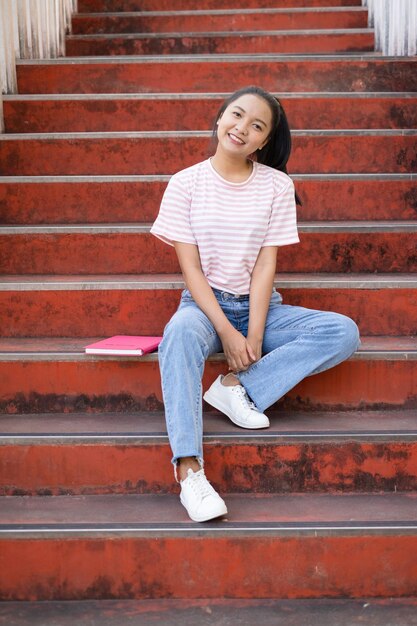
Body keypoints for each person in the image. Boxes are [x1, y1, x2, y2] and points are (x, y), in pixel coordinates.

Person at [150, 85, 360, 523]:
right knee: (179, 333)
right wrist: (227, 332)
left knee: (343, 332)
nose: (242, 128)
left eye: (257, 126)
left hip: (261, 306)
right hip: (204, 308)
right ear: (220, 117)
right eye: (237, 116)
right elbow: (191, 269)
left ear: (264, 141)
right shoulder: (185, 183)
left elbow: (267, 266)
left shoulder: (276, 185)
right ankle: (190, 471)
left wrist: (255, 337)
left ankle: (239, 389)